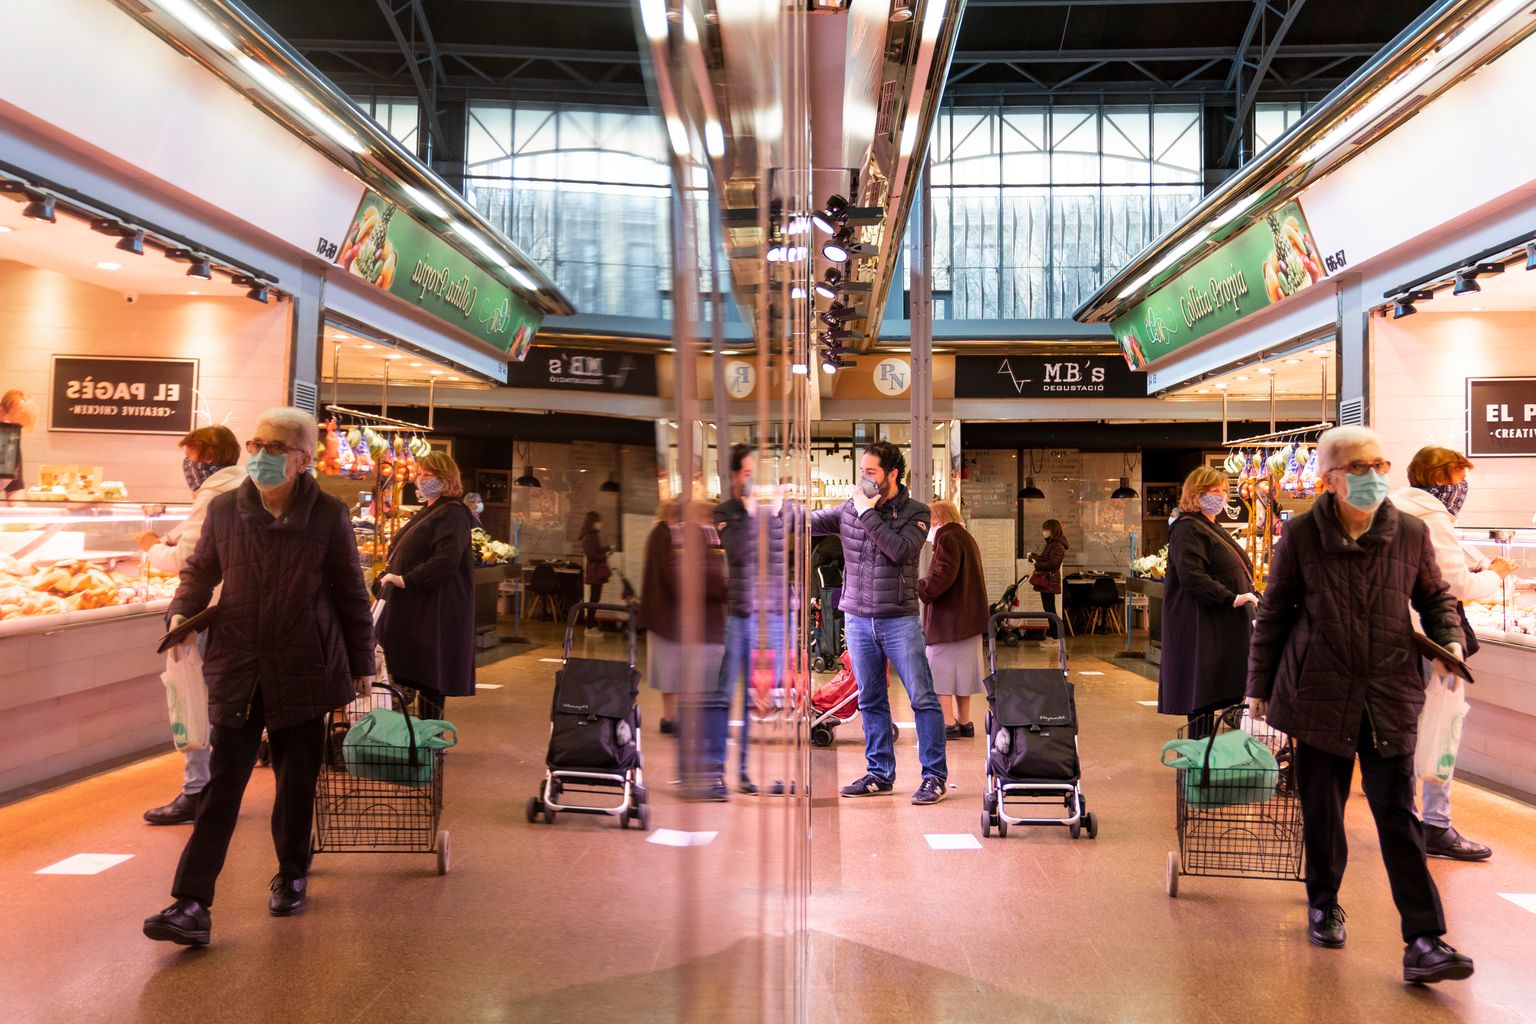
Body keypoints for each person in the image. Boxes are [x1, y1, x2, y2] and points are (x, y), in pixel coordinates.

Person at [1247, 426, 1473, 984]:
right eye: (1358, 467)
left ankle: (1424, 938)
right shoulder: (1300, 534)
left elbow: (1437, 598)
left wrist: (1450, 641)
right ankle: (1323, 903)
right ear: (1329, 479)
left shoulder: (1411, 533)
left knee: (1398, 813)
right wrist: (1257, 686)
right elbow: (1274, 613)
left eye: (1380, 464)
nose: (1373, 476)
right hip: (1318, 691)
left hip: (1389, 691)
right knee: (1322, 810)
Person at [143, 408, 374, 947]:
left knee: (296, 782)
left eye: (276, 447)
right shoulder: (226, 509)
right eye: (257, 444)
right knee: (223, 784)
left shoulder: (328, 516)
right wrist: (181, 612)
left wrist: (363, 662)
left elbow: (350, 592)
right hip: (239, 663)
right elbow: (199, 572)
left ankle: (291, 872)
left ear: (302, 460)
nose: (262, 455)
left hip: (304, 665)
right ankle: (191, 902)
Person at [1390, 446, 1512, 862]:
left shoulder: (1395, 505)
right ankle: (1436, 827)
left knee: (1407, 733)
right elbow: (1450, 586)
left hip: (1397, 636)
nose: (1463, 489)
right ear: (1442, 479)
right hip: (1431, 641)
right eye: (1459, 478)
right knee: (1441, 733)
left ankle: (1404, 822)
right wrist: (1494, 577)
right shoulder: (1432, 518)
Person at [810, 441, 947, 805]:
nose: (864, 480)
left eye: (871, 473)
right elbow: (811, 522)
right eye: (862, 472)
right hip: (857, 619)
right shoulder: (850, 509)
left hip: (898, 620)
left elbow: (900, 551)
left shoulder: (916, 512)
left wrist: (868, 512)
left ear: (892, 475)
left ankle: (934, 777)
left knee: (923, 698)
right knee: (871, 699)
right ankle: (879, 773)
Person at [134, 425, 247, 825]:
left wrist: (151, 551)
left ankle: (197, 790)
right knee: (216, 702)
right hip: (231, 612)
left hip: (205, 613)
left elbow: (190, 558)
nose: (188, 466)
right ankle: (214, 789)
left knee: (194, 701)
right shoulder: (239, 486)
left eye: (192, 456)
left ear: (206, 458)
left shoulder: (214, 495)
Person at [1158, 467, 1259, 738]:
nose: (1221, 496)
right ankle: (1199, 760)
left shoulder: (1209, 525)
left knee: (1211, 691)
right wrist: (1232, 598)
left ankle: (1207, 757)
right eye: (1214, 491)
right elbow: (1193, 577)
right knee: (1201, 696)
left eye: (1224, 491)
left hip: (1217, 624)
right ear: (1195, 494)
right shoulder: (1188, 528)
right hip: (1201, 626)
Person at [375, 452, 476, 722]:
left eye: (427, 476)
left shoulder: (452, 513)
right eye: (418, 475)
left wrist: (406, 579)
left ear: (446, 479)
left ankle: (430, 739)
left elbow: (445, 561)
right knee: (416, 670)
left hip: (433, 609)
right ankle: (412, 733)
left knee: (431, 675)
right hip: (416, 607)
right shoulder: (433, 509)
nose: (420, 480)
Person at [636, 501, 729, 796]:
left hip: (667, 617)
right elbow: (682, 578)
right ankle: (675, 724)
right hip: (671, 619)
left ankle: (672, 719)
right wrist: (725, 586)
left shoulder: (664, 533)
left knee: (671, 674)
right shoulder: (672, 536)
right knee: (678, 675)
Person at [713, 444, 786, 796]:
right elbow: (740, 553)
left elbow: (776, 554)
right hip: (741, 617)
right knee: (727, 695)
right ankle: (720, 770)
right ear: (733, 475)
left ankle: (748, 773)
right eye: (746, 472)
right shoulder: (726, 511)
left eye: (754, 472)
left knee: (764, 698)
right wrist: (752, 513)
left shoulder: (765, 513)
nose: (751, 479)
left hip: (769, 615)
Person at [918, 500, 988, 739]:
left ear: (938, 519)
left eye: (928, 522)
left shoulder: (947, 539)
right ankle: (965, 721)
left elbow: (942, 576)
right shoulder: (965, 537)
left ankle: (948, 723)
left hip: (948, 621)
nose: (926, 528)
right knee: (963, 674)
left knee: (940, 673)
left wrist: (920, 587)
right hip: (968, 621)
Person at [1026, 519, 1069, 645]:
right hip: (1048, 580)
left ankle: (1055, 637)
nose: (1043, 532)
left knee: (1050, 609)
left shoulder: (1057, 545)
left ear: (1052, 530)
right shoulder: (1052, 544)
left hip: (1049, 581)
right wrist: (1035, 557)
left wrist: (1037, 564)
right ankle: (1053, 636)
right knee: (1048, 608)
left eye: (1045, 530)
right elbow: (1047, 559)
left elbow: (1053, 564)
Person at [579, 510, 613, 635]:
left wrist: (607, 549)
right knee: (594, 599)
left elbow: (596, 551)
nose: (601, 524)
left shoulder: (592, 536)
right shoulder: (589, 537)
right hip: (595, 571)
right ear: (593, 522)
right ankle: (590, 626)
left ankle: (592, 625)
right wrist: (605, 556)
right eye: (599, 521)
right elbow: (592, 555)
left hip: (596, 571)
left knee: (595, 598)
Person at [0, 389, 37, 500]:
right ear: (1, 412)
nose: (15, 432)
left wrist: (20, 509)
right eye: (13, 425)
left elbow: (15, 489)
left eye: (19, 428)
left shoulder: (11, 448)